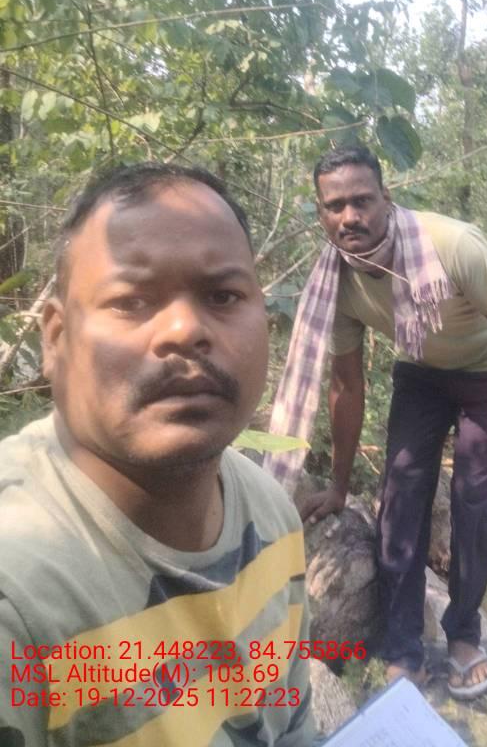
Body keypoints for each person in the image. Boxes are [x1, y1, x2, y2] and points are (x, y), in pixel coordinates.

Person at [0, 163, 314, 747]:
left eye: (223, 296)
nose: (184, 329)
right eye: (132, 300)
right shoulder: (17, 595)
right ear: (56, 339)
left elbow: (293, 728)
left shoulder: (273, 517)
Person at [266, 144, 487, 699]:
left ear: (386, 198)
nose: (349, 217)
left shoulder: (453, 244)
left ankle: (464, 634)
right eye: (334, 206)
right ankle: (403, 650)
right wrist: (337, 486)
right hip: (421, 374)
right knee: (400, 500)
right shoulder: (336, 279)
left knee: (477, 506)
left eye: (361, 201)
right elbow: (346, 384)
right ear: (320, 212)